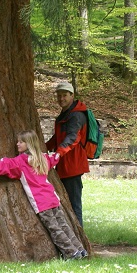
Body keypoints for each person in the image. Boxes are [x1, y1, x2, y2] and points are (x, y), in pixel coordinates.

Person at [0, 130, 87, 260]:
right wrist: (59, 153)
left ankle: (72, 253)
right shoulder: (43, 158)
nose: (17, 144)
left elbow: (3, 165)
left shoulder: (20, 162)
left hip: (41, 202)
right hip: (52, 197)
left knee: (55, 229)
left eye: (21, 142)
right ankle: (80, 250)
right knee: (63, 225)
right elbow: (54, 158)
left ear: (29, 144)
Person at [45, 81, 89, 226]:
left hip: (73, 166)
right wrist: (43, 148)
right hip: (64, 165)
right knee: (65, 203)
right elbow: (58, 139)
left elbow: (73, 138)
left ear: (72, 96)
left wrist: (58, 153)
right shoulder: (65, 113)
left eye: (64, 95)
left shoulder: (76, 115)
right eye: (59, 96)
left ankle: (80, 240)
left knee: (74, 205)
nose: (61, 99)